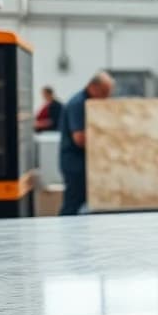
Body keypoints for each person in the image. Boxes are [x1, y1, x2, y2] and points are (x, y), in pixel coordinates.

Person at [58, 72, 114, 216]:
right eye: (104, 93)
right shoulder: (78, 103)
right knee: (73, 203)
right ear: (92, 87)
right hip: (75, 163)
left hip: (83, 162)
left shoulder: (89, 103)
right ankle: (67, 235)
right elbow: (79, 138)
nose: (106, 98)